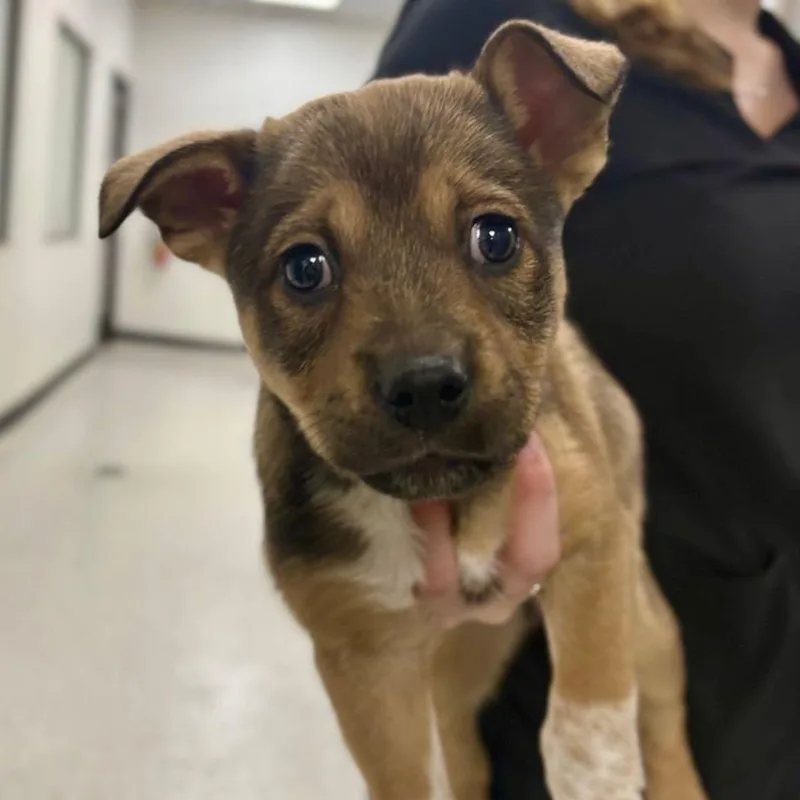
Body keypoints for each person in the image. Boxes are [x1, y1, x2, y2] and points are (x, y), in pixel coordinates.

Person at [374, 1, 800, 798]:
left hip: (774, 670)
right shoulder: (495, 23)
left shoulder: (784, 53)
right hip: (571, 645)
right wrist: (425, 538)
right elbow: (363, 306)